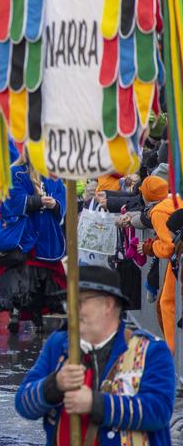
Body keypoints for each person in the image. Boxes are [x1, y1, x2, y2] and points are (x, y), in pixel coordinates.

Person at [15, 265, 176, 446]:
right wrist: (55, 384)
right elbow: (23, 403)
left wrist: (96, 404)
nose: (72, 311)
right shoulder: (58, 344)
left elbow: (159, 411)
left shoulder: (151, 350)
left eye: (79, 302)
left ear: (107, 305)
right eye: (69, 303)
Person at [0, 150, 67, 334]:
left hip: (46, 236)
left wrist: (55, 204)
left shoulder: (53, 176)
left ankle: (38, 316)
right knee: (20, 275)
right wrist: (37, 201)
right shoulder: (15, 172)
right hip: (23, 235)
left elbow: (61, 198)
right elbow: (11, 202)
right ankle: (16, 313)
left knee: (43, 278)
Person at [136, 176, 179, 351]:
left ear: (147, 195)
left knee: (166, 304)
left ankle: (171, 350)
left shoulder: (158, 212)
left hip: (177, 258)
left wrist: (150, 247)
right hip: (177, 257)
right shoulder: (174, 200)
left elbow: (168, 246)